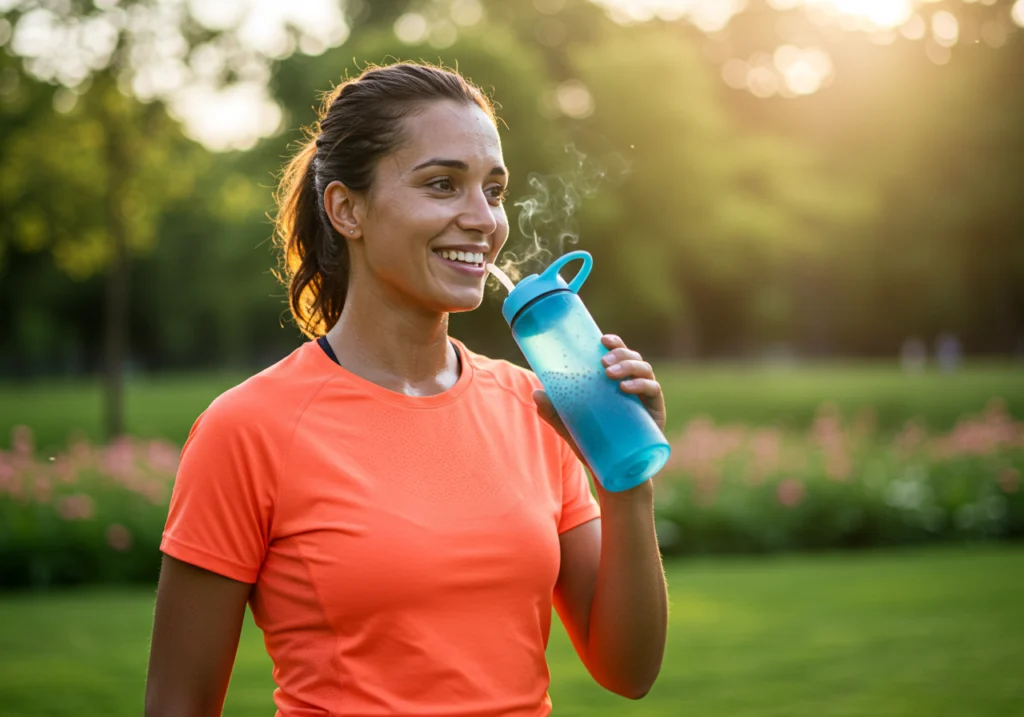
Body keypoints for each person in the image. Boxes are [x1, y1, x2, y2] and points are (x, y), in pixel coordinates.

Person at [145, 62, 668, 716]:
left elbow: (629, 669)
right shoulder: (247, 428)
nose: (483, 219)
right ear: (347, 209)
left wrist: (627, 487)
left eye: (494, 190)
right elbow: (178, 700)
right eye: (443, 184)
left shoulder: (538, 406)